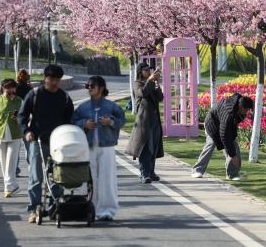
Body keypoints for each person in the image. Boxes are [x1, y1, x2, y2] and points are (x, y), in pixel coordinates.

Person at [18, 64, 74, 223]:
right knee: (36, 177)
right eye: (51, 79)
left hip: (58, 142)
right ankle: (34, 208)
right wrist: (26, 131)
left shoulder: (64, 97)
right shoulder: (35, 94)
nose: (54, 83)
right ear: (45, 78)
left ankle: (54, 206)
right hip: (37, 140)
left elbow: (69, 119)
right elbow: (22, 116)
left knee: (57, 176)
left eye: (57, 80)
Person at [72, 76, 126, 221]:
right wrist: (84, 124)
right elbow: (73, 121)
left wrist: (111, 122)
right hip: (88, 147)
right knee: (89, 178)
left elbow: (122, 120)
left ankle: (108, 210)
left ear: (101, 88)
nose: (89, 88)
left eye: (92, 86)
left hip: (107, 147)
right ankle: (90, 208)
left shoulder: (111, 106)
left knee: (107, 179)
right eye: (87, 86)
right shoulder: (83, 107)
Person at [191, 92, 254, 180]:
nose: (247, 112)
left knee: (234, 146)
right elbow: (224, 135)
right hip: (212, 125)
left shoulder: (239, 109)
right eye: (247, 110)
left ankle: (232, 174)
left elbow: (231, 129)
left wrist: (232, 153)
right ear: (241, 107)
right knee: (211, 144)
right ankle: (197, 170)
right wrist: (233, 156)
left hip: (224, 127)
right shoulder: (228, 112)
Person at [125, 62, 164, 184]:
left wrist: (156, 83)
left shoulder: (151, 83)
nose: (149, 72)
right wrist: (151, 81)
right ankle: (144, 174)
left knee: (153, 148)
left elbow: (160, 97)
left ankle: (151, 172)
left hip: (154, 120)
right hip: (143, 121)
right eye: (146, 70)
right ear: (140, 72)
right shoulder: (137, 84)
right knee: (145, 148)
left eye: (149, 70)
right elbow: (143, 93)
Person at [0, 79, 23, 198]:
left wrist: (18, 118)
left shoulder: (20, 101)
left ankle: (10, 185)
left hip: (15, 136)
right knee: (3, 163)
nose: (11, 91)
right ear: (3, 88)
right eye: (8, 88)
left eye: (13, 88)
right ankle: (8, 188)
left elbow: (25, 118)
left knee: (11, 162)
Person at [15, 68, 32, 176]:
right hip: (27, 120)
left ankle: (15, 168)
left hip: (16, 118)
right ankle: (31, 166)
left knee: (16, 147)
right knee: (28, 147)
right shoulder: (30, 89)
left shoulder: (15, 88)